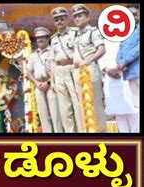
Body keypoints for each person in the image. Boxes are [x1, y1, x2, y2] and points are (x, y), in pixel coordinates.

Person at [72, 4, 107, 132]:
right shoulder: (76, 35)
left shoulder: (93, 32)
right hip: (78, 72)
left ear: (87, 17)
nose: (77, 19)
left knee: (95, 104)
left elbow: (102, 50)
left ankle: (101, 134)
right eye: (75, 16)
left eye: (80, 16)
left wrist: (87, 61)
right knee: (83, 105)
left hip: (90, 69)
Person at [49, 6, 82, 133]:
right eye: (56, 20)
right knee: (64, 107)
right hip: (59, 72)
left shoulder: (75, 33)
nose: (59, 22)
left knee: (77, 103)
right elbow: (52, 61)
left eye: (61, 19)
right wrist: (52, 81)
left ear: (67, 19)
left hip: (72, 69)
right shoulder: (53, 39)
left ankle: (82, 132)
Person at [27, 27, 63, 133]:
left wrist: (48, 82)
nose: (40, 40)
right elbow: (28, 71)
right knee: (43, 113)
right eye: (38, 38)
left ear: (48, 38)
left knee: (55, 112)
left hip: (52, 84)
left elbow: (57, 68)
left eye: (42, 37)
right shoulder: (33, 55)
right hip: (38, 86)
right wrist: (36, 82)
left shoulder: (54, 51)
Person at [99, 39, 138, 133]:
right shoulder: (102, 39)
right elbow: (100, 58)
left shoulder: (128, 36)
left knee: (134, 109)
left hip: (127, 73)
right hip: (110, 78)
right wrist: (107, 70)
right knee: (119, 112)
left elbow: (132, 53)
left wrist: (120, 67)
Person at [116, 4, 140, 132]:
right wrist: (119, 63)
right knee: (136, 106)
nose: (133, 17)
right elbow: (120, 50)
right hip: (130, 73)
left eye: (135, 14)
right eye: (130, 15)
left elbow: (137, 50)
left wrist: (124, 62)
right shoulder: (126, 32)